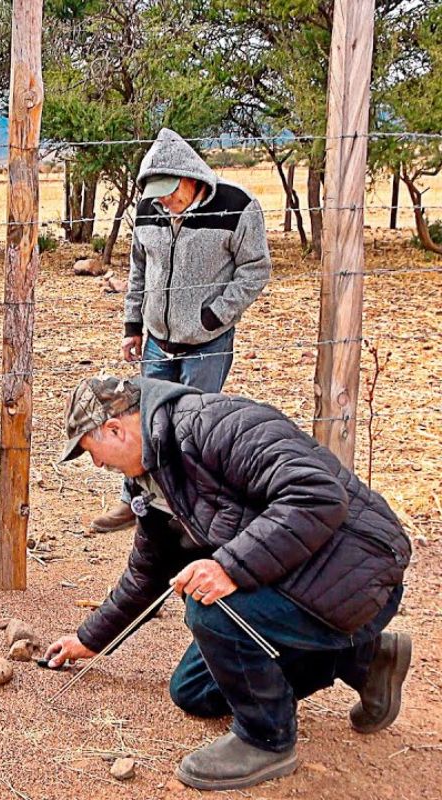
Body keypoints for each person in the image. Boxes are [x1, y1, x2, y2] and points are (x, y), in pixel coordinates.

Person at [45, 376, 412, 790]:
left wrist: (228, 567)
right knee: (194, 692)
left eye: (92, 452)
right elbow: (148, 573)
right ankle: (363, 658)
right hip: (304, 571)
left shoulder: (215, 425)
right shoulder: (151, 476)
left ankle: (267, 739)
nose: (96, 465)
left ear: (114, 428)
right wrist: (89, 639)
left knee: (211, 607)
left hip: (361, 568)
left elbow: (317, 496)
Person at [91, 127, 272, 533]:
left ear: (192, 179)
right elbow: (140, 270)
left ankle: (190, 514)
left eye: (172, 193)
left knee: (193, 428)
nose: (167, 202)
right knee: (144, 421)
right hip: (157, 338)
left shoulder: (237, 205)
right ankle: (134, 501)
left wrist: (216, 314)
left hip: (208, 341)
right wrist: (133, 325)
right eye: (159, 195)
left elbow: (255, 269)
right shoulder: (148, 209)